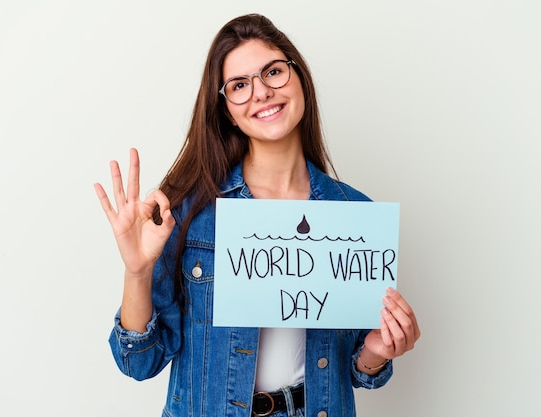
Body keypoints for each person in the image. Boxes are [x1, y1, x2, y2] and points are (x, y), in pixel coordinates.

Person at [94, 13, 420, 417]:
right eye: (240, 85)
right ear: (228, 110)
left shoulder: (355, 217)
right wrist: (138, 272)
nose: (262, 92)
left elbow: (359, 368)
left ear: (299, 78)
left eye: (273, 72)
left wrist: (376, 352)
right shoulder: (189, 213)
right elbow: (138, 362)